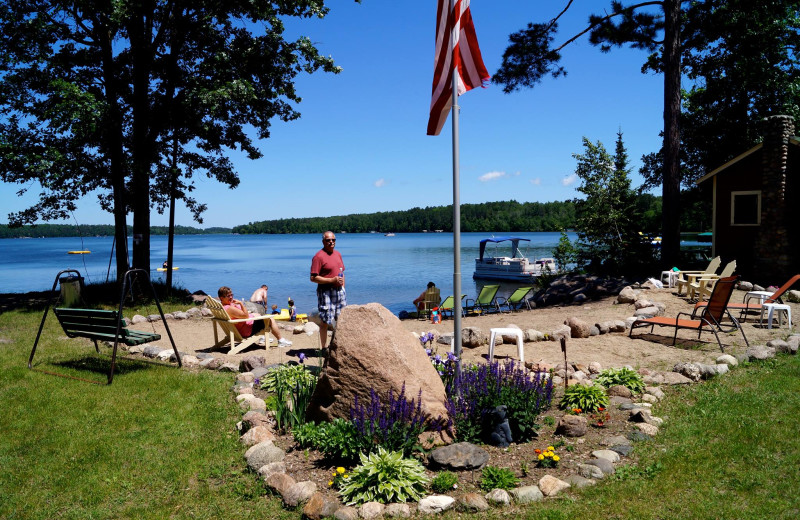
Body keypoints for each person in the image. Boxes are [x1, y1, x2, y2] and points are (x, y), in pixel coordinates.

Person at [217, 286, 292, 347]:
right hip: (246, 331)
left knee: (257, 314)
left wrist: (250, 314)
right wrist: (240, 303)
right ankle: (281, 340)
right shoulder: (230, 308)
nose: (231, 297)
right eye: (228, 296)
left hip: (240, 328)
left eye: (231, 295)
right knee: (270, 319)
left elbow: (243, 315)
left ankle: (262, 338)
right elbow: (245, 316)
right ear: (221, 298)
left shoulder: (223, 306)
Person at [310, 231, 346, 349]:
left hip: (339, 291)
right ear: (323, 241)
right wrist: (331, 280)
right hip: (325, 292)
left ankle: (337, 346)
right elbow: (313, 278)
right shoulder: (318, 256)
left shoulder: (338, 254)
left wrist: (343, 288)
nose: (331, 242)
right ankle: (324, 348)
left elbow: (342, 272)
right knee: (325, 321)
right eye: (328, 240)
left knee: (341, 320)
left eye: (333, 240)